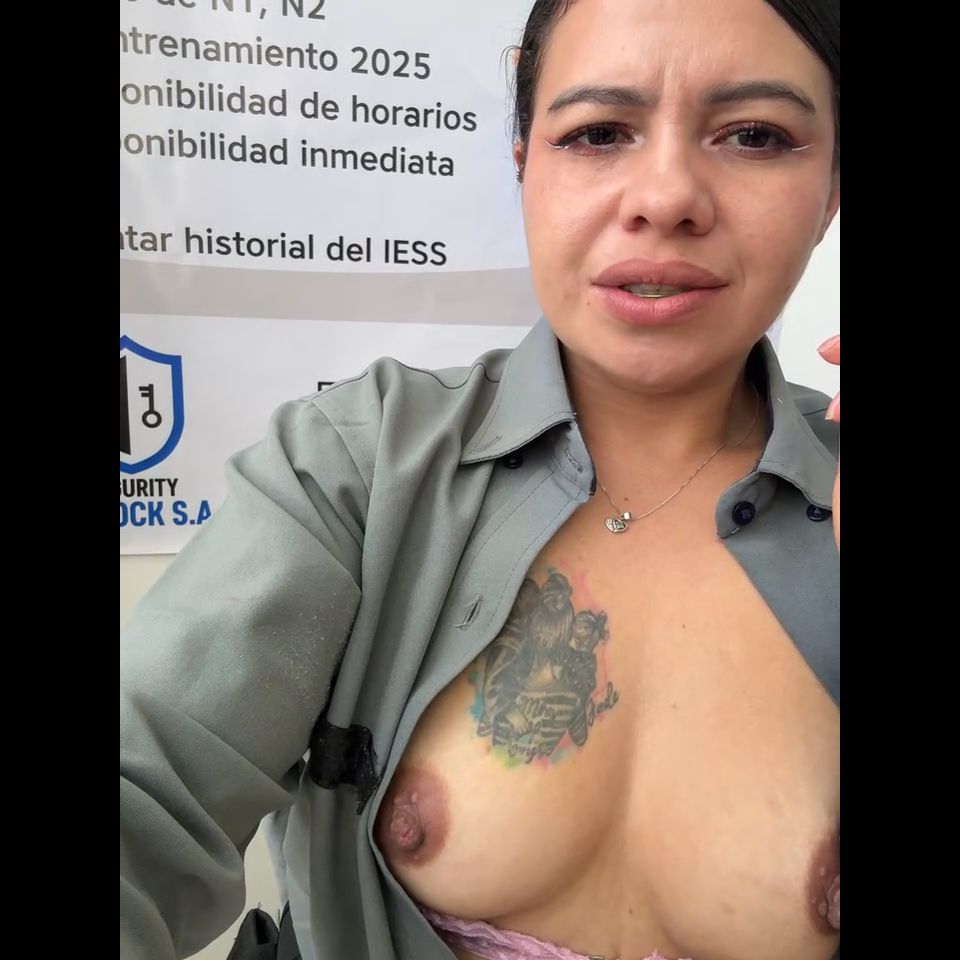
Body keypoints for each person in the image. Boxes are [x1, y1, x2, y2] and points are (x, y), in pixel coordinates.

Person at [120, 1, 841, 958]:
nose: (666, 196)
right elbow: (145, 791)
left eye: (755, 135)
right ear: (524, 168)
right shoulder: (358, 468)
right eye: (598, 133)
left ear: (831, 191)